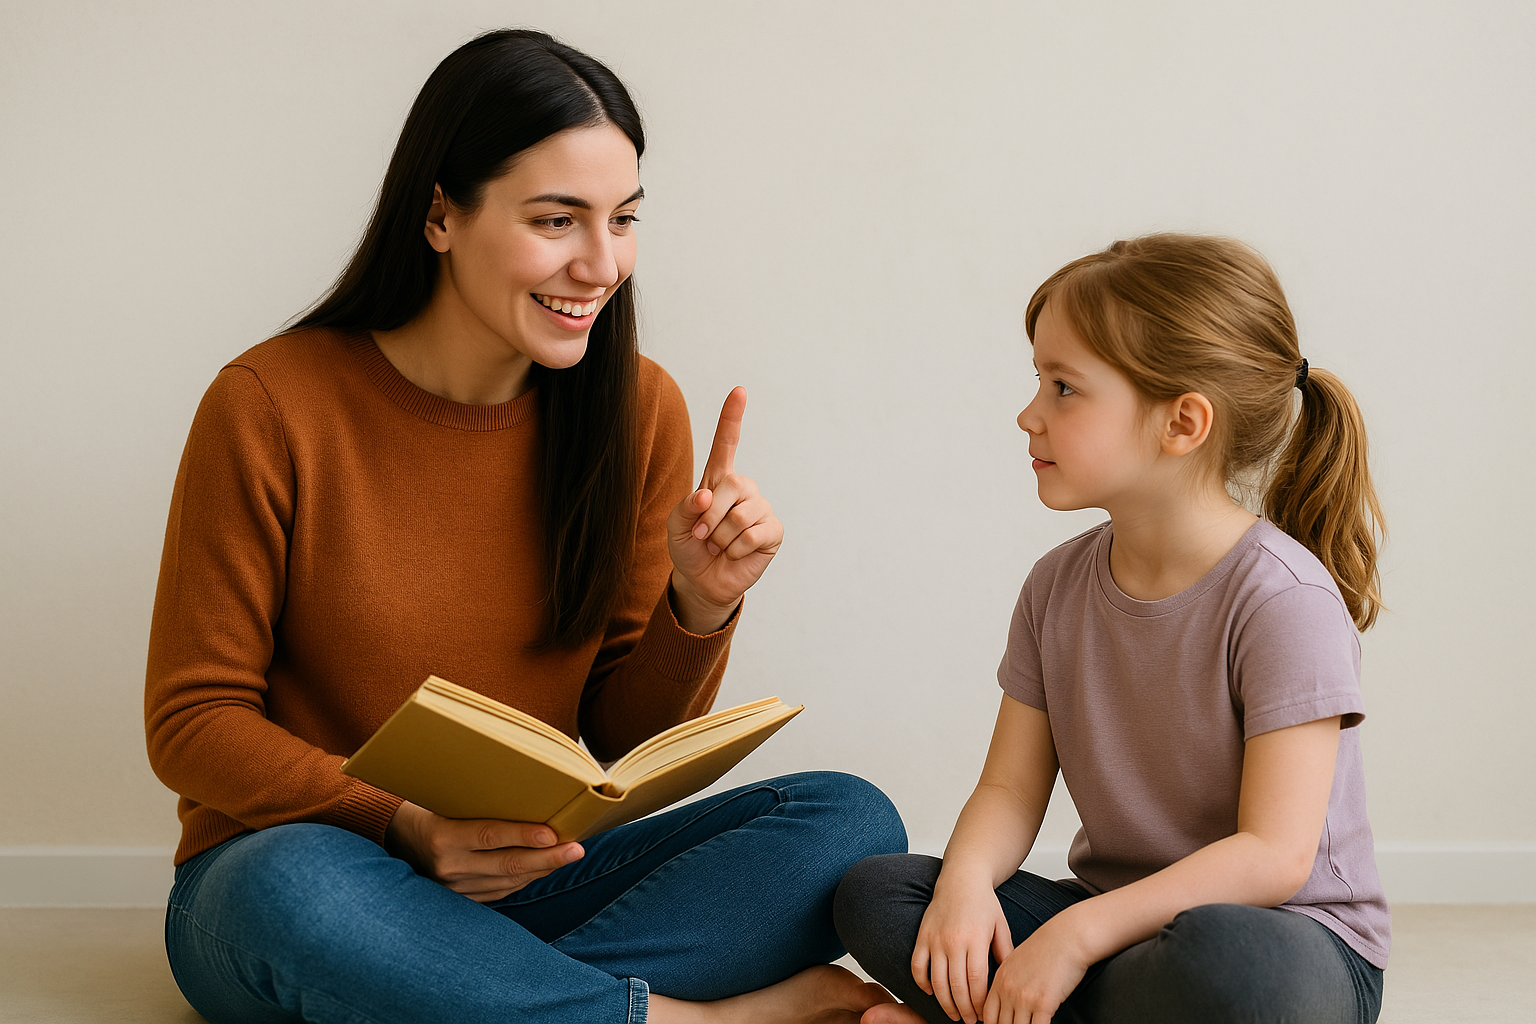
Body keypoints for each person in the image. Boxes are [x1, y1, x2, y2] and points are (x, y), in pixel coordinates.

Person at [146, 29, 904, 1024]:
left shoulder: (639, 409)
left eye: (623, 219)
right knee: (287, 892)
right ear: (440, 215)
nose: (601, 264)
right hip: (316, 869)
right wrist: (408, 825)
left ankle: (480, 998)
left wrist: (700, 600)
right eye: (557, 220)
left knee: (847, 820)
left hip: (534, 883)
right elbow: (192, 724)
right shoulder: (270, 403)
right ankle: (688, 1019)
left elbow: (622, 739)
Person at [835, 234, 1390, 1024]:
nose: (1029, 414)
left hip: (1284, 942)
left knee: (1225, 966)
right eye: (1038, 380)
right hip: (1122, 935)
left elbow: (1274, 856)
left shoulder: (1284, 599)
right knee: (880, 894)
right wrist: (962, 887)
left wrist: (1073, 936)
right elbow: (1008, 788)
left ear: (1183, 423)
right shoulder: (1055, 585)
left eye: (1064, 388)